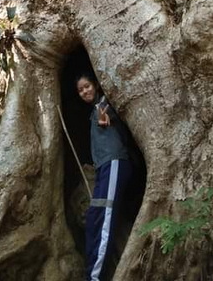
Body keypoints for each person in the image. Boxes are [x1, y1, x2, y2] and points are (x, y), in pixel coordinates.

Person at [76, 74, 132, 281]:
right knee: (94, 219)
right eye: (80, 90)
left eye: (87, 86)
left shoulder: (105, 104)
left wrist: (108, 120)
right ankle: (91, 273)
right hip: (104, 168)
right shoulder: (94, 111)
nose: (85, 92)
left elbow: (113, 118)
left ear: (97, 84)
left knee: (104, 221)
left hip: (114, 163)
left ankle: (94, 278)